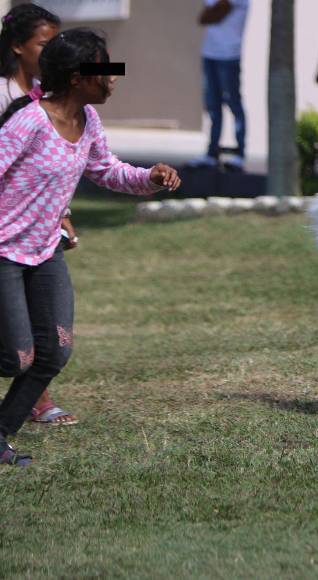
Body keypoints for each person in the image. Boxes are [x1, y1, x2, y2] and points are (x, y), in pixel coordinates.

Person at [0, 28, 181, 466]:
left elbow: (105, 170)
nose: (112, 79)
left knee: (53, 352)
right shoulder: (28, 121)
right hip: (3, 252)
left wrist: (148, 179)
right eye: (103, 70)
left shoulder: (88, 122)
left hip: (45, 253)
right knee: (16, 356)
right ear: (78, 77)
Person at [0, 2, 80, 426]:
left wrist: (60, 211)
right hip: (5, 236)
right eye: (44, 45)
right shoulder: (5, 97)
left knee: (45, 327)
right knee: (17, 343)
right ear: (17, 47)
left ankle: (38, 399)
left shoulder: (48, 97)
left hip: (39, 235)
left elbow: (49, 167)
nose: (52, 53)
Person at [189, 0, 249, 171]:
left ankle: (239, 153)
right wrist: (211, 12)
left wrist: (211, 11)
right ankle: (212, 153)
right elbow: (204, 17)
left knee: (233, 103)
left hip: (229, 56)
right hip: (209, 54)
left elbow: (213, 13)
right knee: (213, 106)